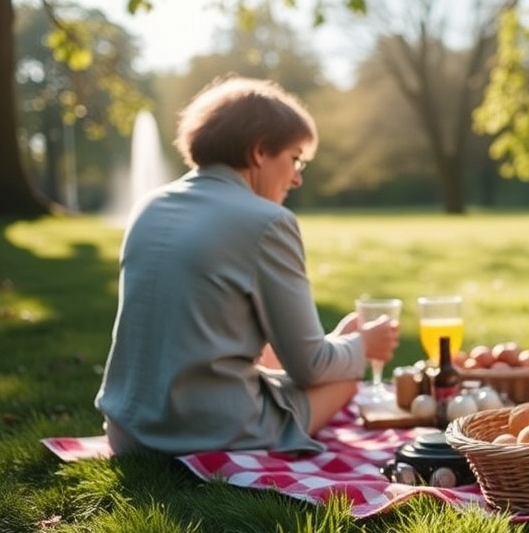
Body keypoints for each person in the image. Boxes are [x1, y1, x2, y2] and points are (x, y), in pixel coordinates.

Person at [95, 75, 399, 456]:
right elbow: (310, 369)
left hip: (129, 431)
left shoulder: (149, 206)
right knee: (344, 382)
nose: (297, 177)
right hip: (207, 432)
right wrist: (364, 345)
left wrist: (340, 343)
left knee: (284, 353)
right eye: (294, 158)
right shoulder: (268, 221)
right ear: (259, 152)